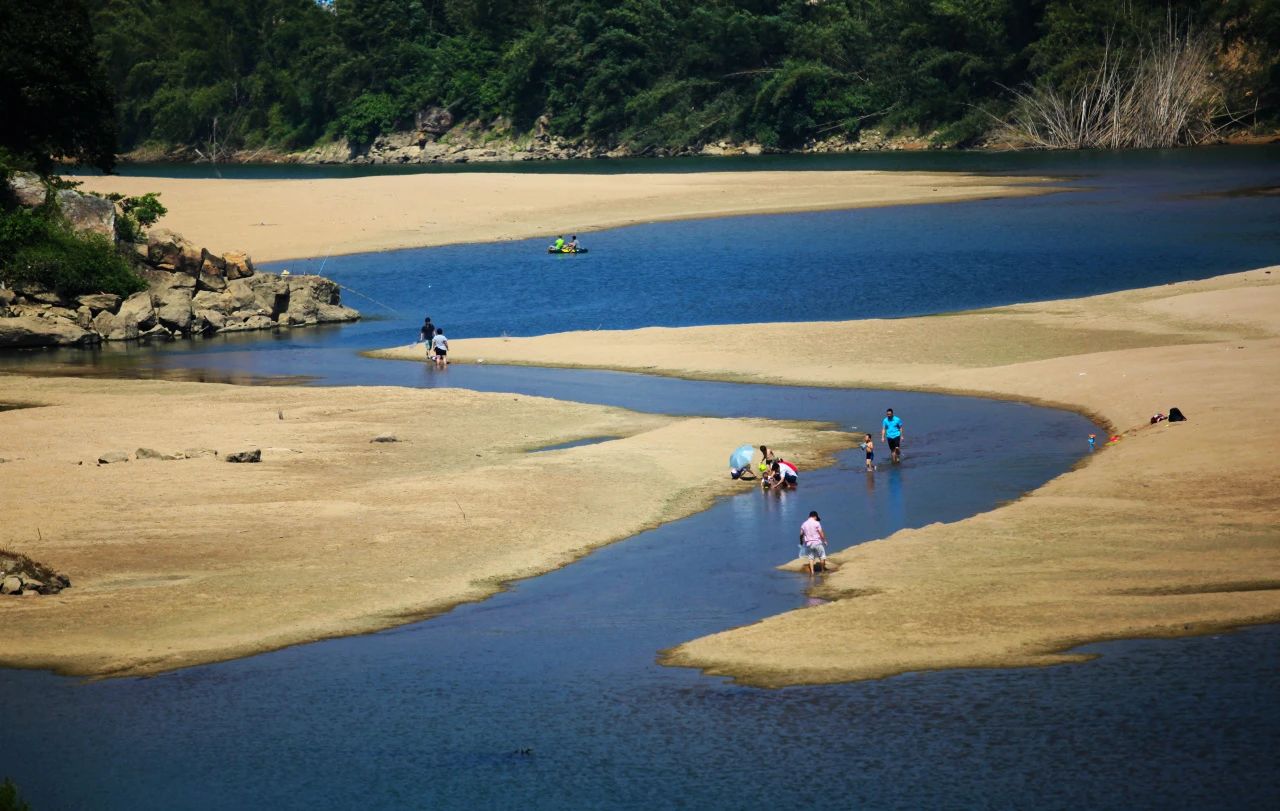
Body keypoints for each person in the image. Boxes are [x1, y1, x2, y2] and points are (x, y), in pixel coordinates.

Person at [798, 511, 828, 575]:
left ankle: (812, 572)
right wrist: (824, 540)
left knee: (811, 558)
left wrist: (801, 542)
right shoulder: (817, 523)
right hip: (817, 543)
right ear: (815, 516)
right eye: (816, 518)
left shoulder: (804, 524)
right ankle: (822, 570)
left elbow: (801, 534)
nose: (817, 519)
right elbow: (821, 533)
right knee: (822, 556)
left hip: (809, 544)